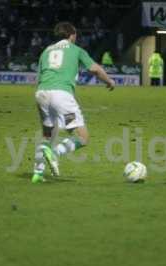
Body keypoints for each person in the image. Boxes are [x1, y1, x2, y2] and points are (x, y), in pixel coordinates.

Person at [32, 22, 115, 183]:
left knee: (47, 134)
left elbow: (39, 77)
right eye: (76, 34)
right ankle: (55, 153)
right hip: (61, 96)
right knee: (82, 137)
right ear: (72, 35)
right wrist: (109, 81)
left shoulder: (46, 51)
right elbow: (95, 69)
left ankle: (38, 173)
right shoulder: (76, 50)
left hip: (41, 93)